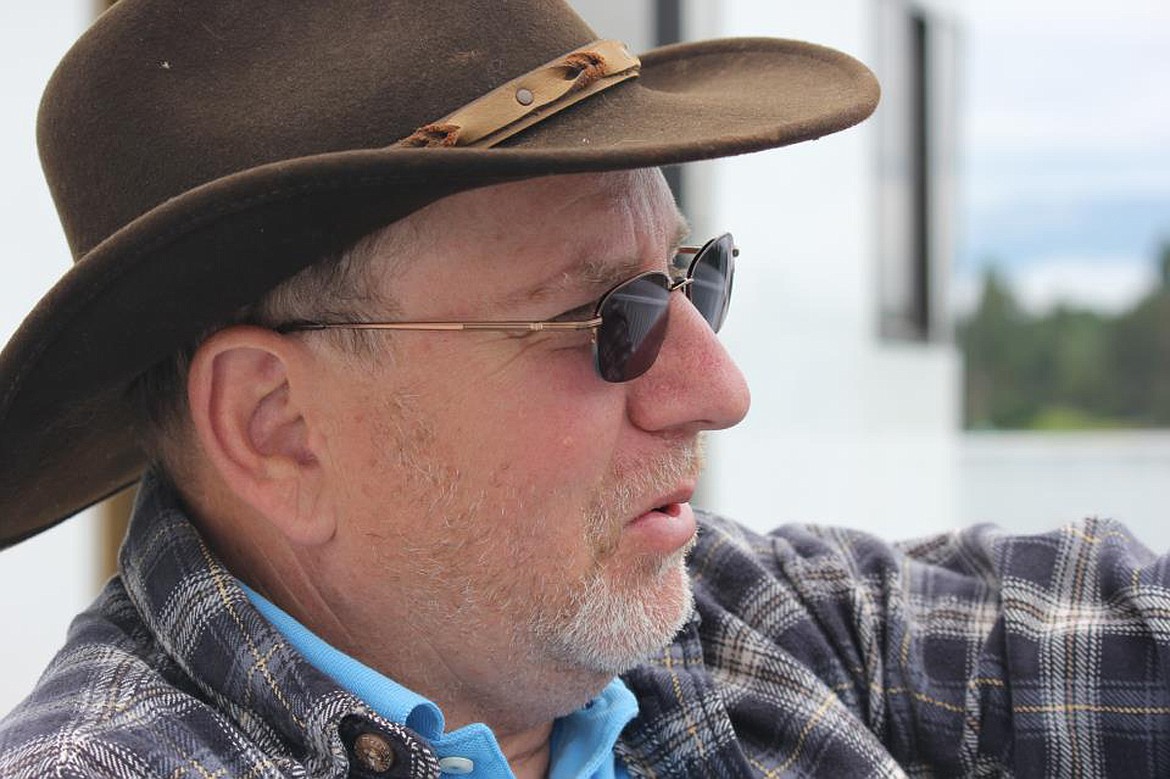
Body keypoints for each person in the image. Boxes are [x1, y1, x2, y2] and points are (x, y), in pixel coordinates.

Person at [0, 2, 1167, 777]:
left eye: (694, 280)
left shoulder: (755, 623)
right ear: (276, 426)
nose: (717, 390)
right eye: (612, 317)